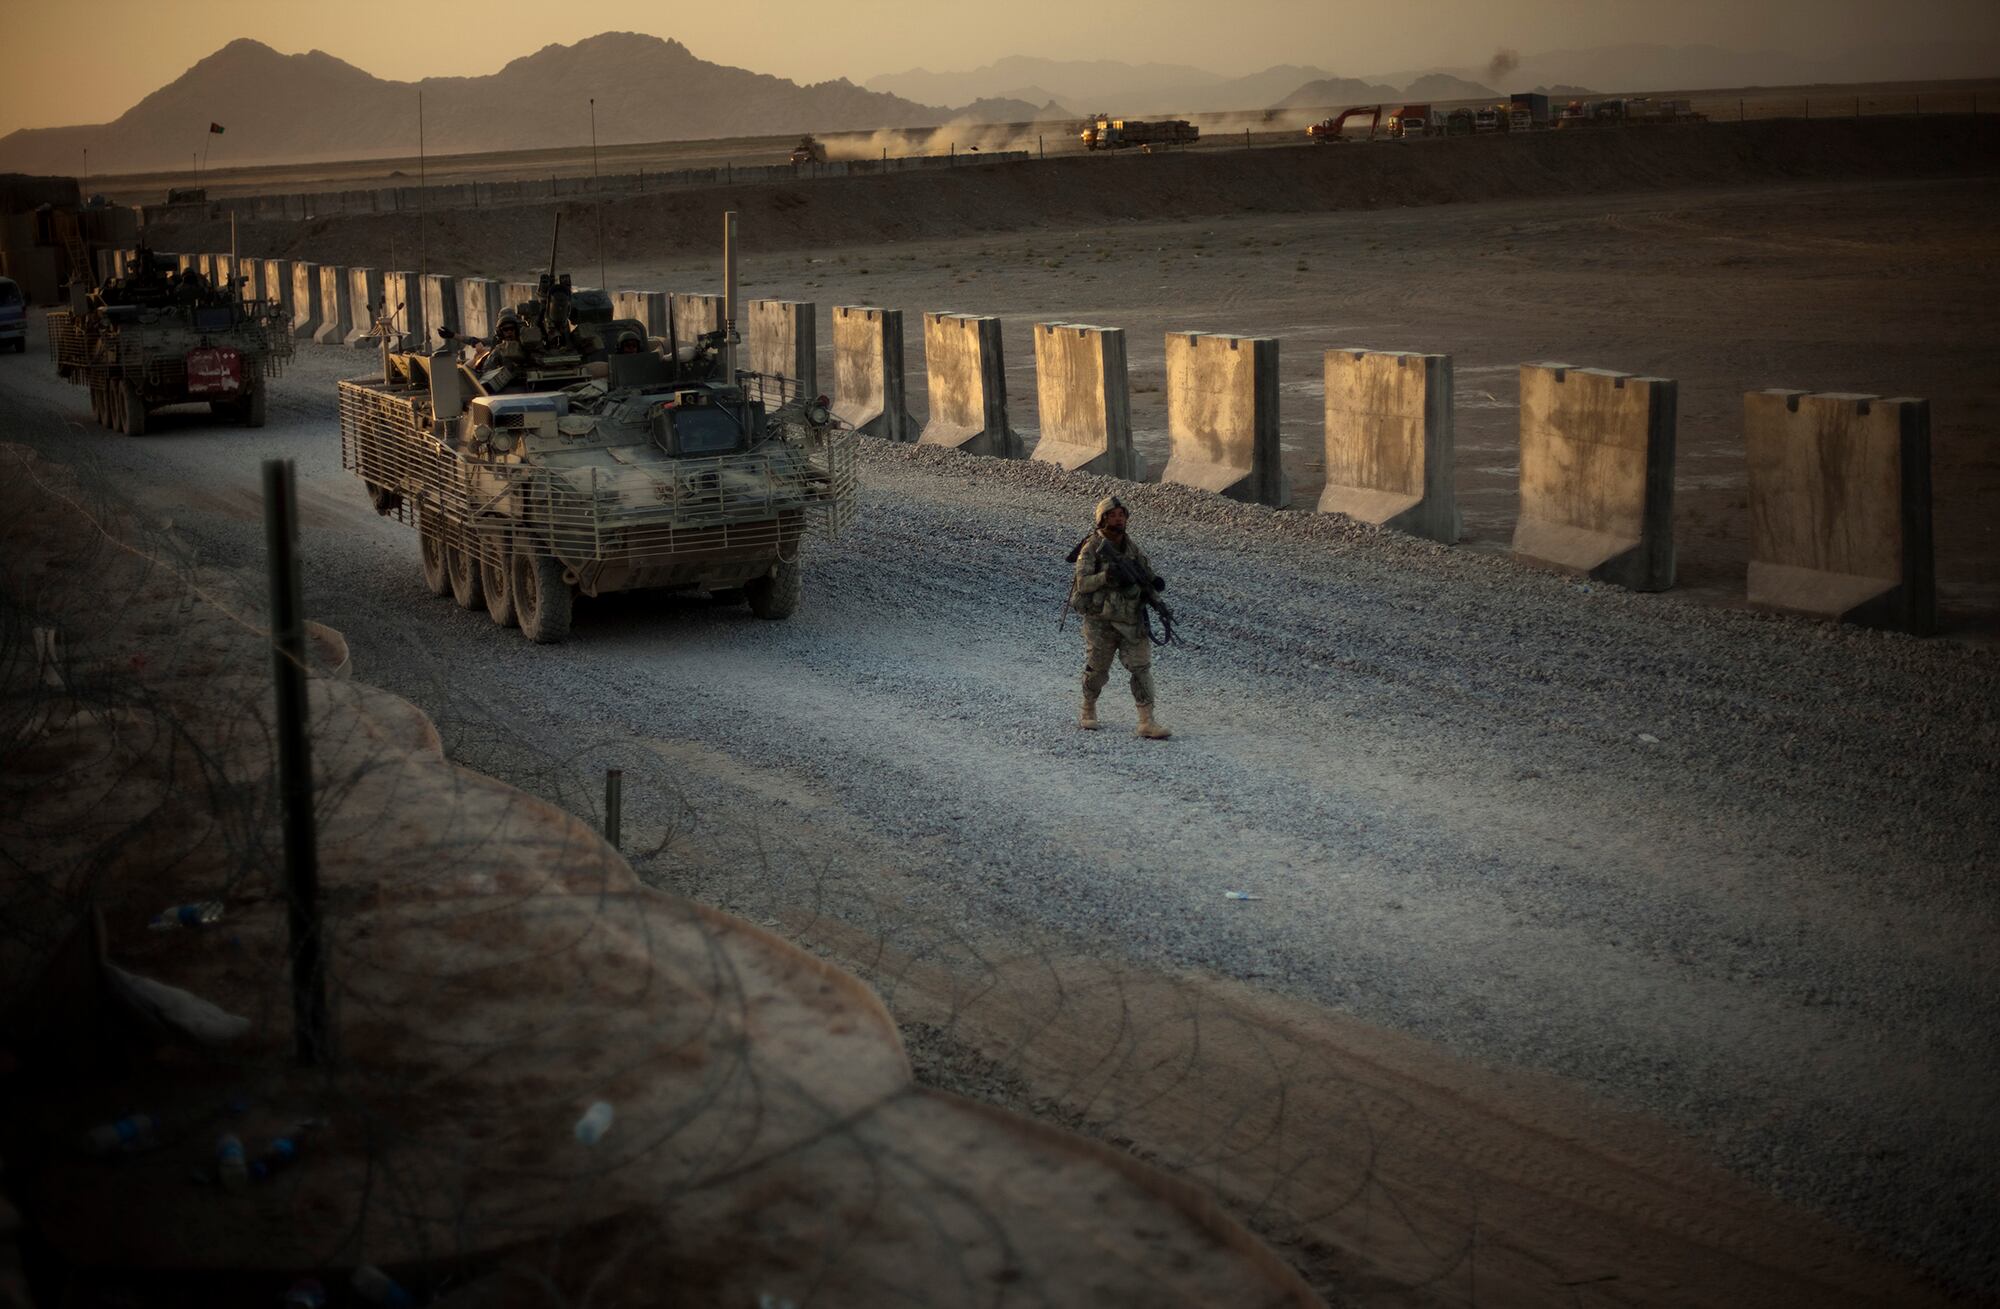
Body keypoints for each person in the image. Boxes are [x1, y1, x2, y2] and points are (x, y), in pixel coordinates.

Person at [1069, 495, 1170, 739]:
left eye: (1122, 515)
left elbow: (1145, 575)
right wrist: (1107, 576)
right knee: (1098, 670)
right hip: (1100, 621)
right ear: (1103, 519)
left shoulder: (1131, 547)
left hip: (1131, 619)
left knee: (1141, 668)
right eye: (1113, 515)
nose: (1119, 519)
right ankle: (1088, 708)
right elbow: (1082, 583)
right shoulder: (1092, 547)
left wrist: (1154, 585)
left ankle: (1147, 720)